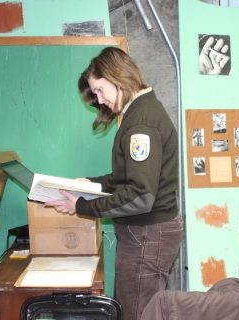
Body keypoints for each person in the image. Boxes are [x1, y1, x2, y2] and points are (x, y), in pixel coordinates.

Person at [44, 47, 184, 320]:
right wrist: (90, 185)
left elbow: (141, 196)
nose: (99, 100)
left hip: (147, 234)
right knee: (135, 310)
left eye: (99, 90)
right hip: (146, 232)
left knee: (136, 314)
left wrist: (84, 206)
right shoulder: (138, 113)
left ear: (117, 75)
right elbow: (125, 180)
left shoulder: (140, 122)